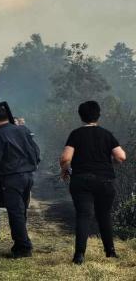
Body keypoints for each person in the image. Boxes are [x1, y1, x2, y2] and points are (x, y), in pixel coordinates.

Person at [59, 100, 127, 264]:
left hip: (81, 180)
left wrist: (64, 169)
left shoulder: (76, 134)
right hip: (105, 180)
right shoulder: (106, 134)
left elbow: (66, 158)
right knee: (104, 215)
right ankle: (110, 252)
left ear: (80, 116)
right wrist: (111, 164)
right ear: (98, 115)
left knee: (84, 215)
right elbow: (121, 156)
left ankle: (79, 255)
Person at [0, 104, 41, 258]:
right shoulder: (24, 130)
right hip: (28, 176)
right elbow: (36, 152)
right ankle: (20, 244)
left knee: (15, 213)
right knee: (21, 212)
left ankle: (24, 248)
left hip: (11, 179)